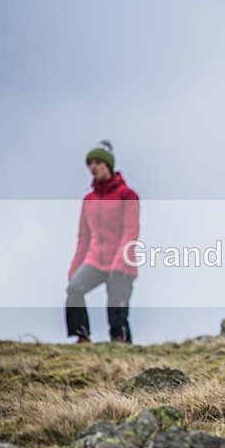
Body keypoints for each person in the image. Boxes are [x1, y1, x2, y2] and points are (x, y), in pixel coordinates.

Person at [66, 140, 140, 343]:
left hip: (121, 262)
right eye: (90, 163)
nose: (93, 167)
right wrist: (75, 267)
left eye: (97, 162)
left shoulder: (127, 195)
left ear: (108, 165)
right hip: (96, 260)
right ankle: (82, 336)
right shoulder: (88, 200)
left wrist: (120, 262)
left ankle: (121, 345)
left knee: (117, 312)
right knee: (74, 288)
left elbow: (131, 232)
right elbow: (83, 238)